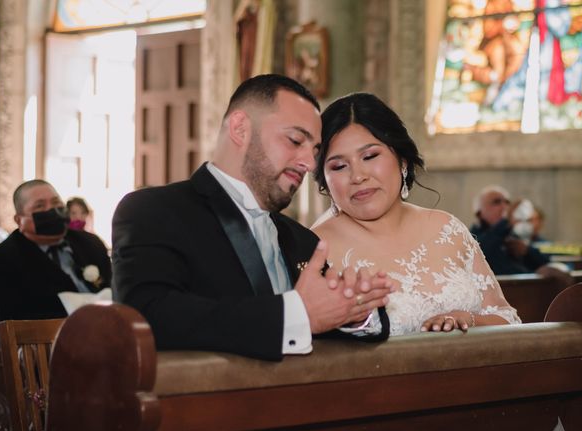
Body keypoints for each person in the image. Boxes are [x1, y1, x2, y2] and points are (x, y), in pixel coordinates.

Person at [112, 74, 393, 361]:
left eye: (314, 151)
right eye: (295, 140)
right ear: (240, 128)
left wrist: (352, 313)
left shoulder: (302, 239)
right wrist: (296, 315)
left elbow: (320, 326)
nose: (309, 163)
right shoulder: (154, 211)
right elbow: (147, 315)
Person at [312, 92, 520, 335]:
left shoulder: (447, 228)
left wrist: (467, 320)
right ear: (324, 180)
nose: (358, 176)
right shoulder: (314, 250)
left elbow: (509, 321)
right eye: (339, 166)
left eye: (370, 156)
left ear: (402, 161)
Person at [0, 180, 111, 325]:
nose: (52, 210)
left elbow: (113, 289)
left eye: (56, 203)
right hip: (48, 340)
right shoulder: (1, 258)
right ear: (19, 220)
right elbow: (8, 318)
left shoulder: (90, 243)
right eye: (40, 206)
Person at [470, 186, 550, 274]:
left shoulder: (511, 235)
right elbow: (483, 250)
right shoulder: (471, 238)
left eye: (507, 202)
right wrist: (508, 220)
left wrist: (527, 251)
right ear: (479, 212)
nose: (505, 206)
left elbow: (545, 264)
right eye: (496, 202)